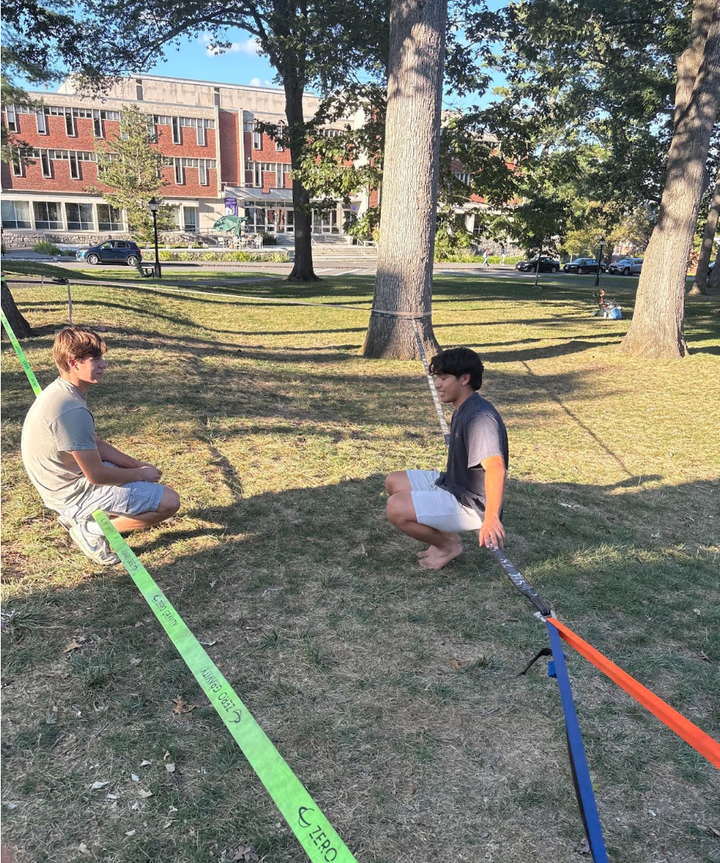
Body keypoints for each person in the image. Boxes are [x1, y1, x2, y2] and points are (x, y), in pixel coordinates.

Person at [21, 327, 180, 566]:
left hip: (63, 482)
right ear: (74, 364)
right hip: (69, 493)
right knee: (169, 501)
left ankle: (86, 517)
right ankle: (91, 529)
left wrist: (136, 465)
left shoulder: (61, 393)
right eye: (96, 359)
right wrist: (140, 474)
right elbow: (96, 475)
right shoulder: (72, 410)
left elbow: (92, 444)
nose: (104, 365)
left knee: (131, 479)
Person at [385, 347, 508, 570]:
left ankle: (448, 547)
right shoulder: (463, 407)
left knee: (396, 507)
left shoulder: (481, 417)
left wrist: (491, 518)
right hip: (452, 484)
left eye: (443, 378)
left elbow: (496, 468)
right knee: (394, 481)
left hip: (471, 503)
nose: (437, 384)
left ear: (465, 379)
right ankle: (449, 537)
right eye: (436, 378)